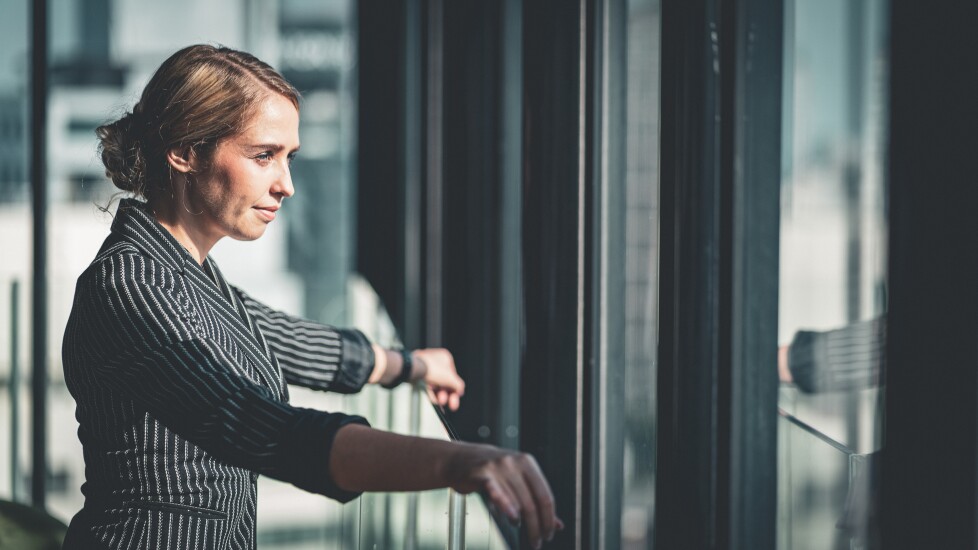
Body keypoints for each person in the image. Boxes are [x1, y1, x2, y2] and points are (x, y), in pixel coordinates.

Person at [61, 44, 562, 549]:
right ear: (186, 153)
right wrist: (455, 460)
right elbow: (253, 423)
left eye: (289, 158)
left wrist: (409, 365)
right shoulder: (131, 285)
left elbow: (286, 339)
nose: (287, 185)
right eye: (264, 156)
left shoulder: (188, 276)